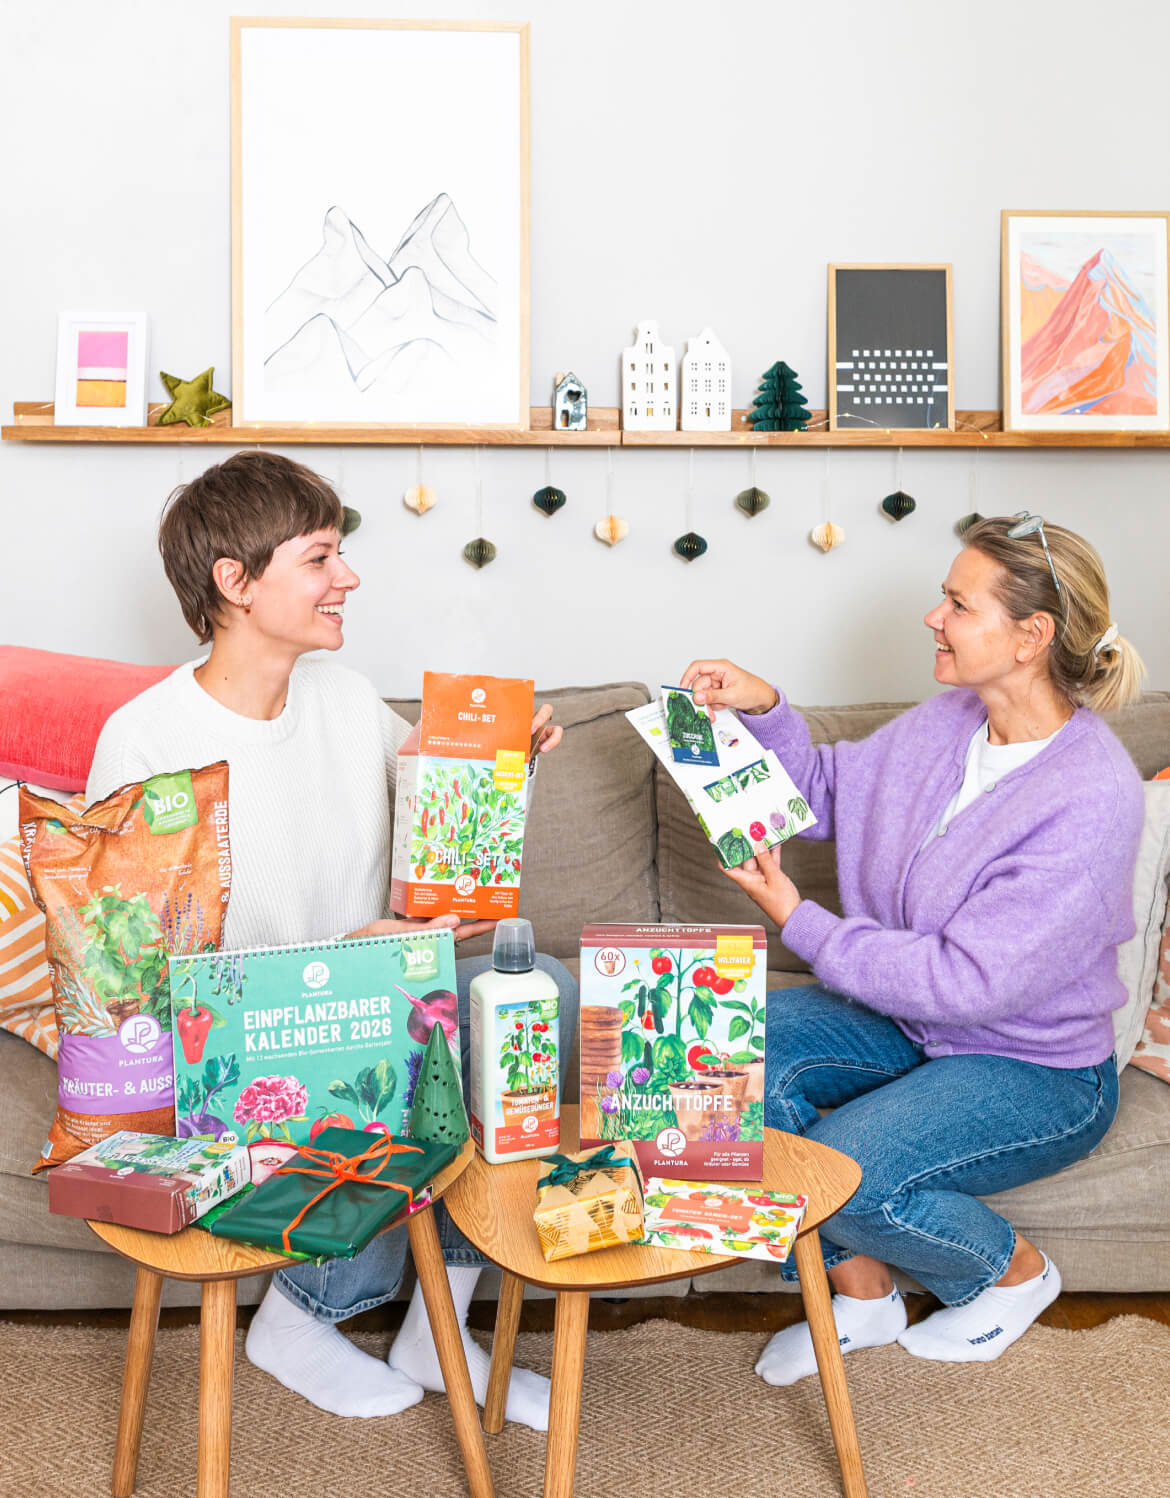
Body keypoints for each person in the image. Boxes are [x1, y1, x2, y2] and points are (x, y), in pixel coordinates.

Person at [87, 450, 576, 1428]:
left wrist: (494, 764)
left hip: (378, 1005)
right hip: (243, 1053)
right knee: (389, 1047)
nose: (347, 576)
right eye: (319, 558)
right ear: (236, 581)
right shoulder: (145, 742)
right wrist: (344, 961)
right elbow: (133, 985)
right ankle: (302, 1317)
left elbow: (438, 842)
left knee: (536, 998)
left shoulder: (345, 700)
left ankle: (440, 1327)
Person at [682, 513, 1145, 1384]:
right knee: (722, 1055)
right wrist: (765, 707)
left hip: (1033, 1067)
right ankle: (862, 1295)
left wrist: (798, 917)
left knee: (841, 1177)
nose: (934, 617)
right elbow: (822, 792)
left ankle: (1011, 1274)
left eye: (959, 605)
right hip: (906, 1021)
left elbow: (966, 982)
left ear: (1031, 637)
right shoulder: (951, 721)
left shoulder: (1091, 797)